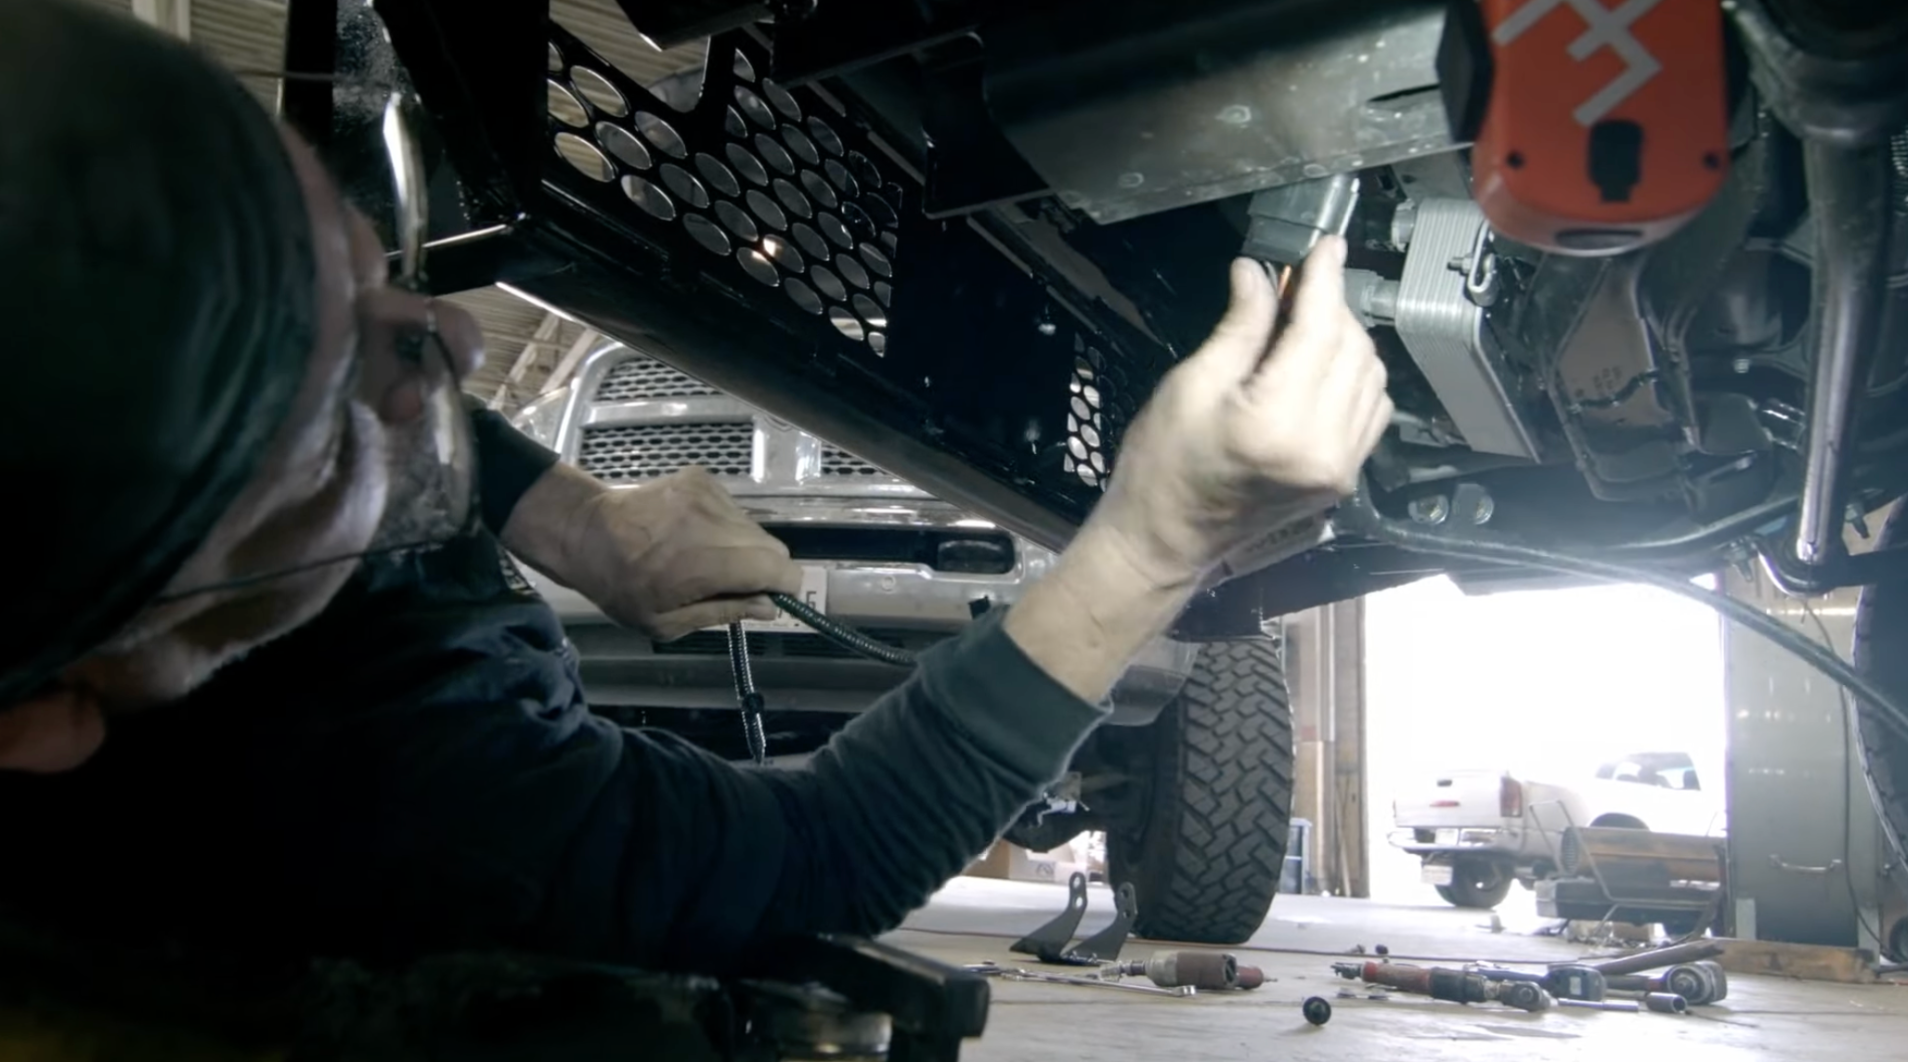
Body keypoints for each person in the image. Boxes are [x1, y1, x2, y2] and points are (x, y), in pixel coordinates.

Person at [0, 0, 1391, 973]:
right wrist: (1153, 541)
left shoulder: (138, 482)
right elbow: (818, 853)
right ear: (52, 715)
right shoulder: (364, 805)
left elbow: (267, 368)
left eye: (370, 272)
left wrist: (579, 519)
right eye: (336, 433)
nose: (463, 345)